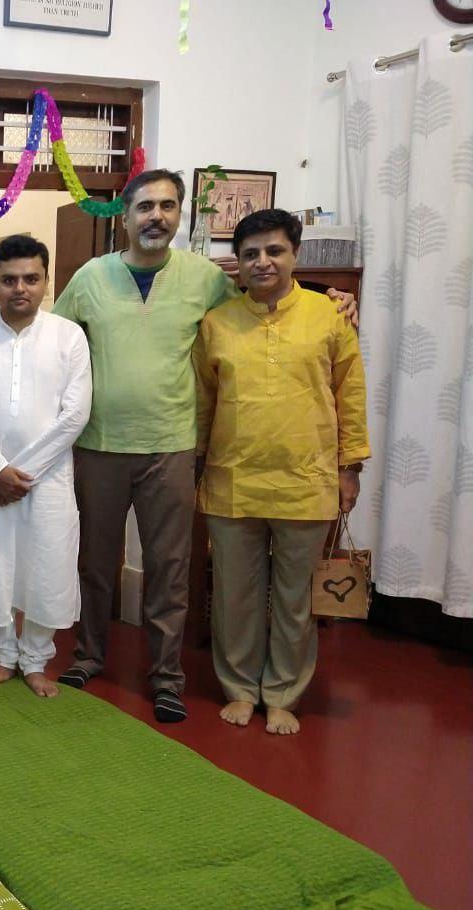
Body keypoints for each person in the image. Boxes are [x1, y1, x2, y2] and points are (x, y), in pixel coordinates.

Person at [50, 169, 357, 723]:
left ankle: (166, 676)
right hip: (99, 445)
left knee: (169, 570)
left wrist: (331, 297)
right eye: (145, 207)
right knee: (94, 562)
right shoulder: (92, 277)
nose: (156, 216)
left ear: (180, 215)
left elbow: (268, 299)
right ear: (125, 217)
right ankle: (89, 654)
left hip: (173, 448)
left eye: (168, 206)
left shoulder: (205, 279)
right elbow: (51, 342)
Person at [194, 209, 369, 736]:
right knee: (234, 598)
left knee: (295, 601)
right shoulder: (217, 323)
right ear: (238, 264)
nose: (262, 262)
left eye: (274, 251)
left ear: (295, 254)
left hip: (306, 482)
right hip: (233, 482)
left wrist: (350, 468)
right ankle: (240, 690)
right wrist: (192, 465)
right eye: (250, 254)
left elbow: (350, 395)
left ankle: (283, 694)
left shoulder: (329, 316)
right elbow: (203, 403)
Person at [0, 235, 91, 698]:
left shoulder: (68, 337)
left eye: (31, 278)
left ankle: (35, 659)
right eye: (9, 280)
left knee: (46, 562)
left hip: (45, 480)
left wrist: (20, 474)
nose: (20, 288)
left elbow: (75, 414)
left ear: (47, 281)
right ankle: (4, 656)